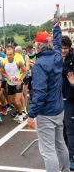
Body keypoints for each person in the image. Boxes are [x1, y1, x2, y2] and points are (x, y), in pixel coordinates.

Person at [28, 13, 70, 172]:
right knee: (60, 144)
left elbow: (39, 93)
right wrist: (57, 26)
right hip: (59, 109)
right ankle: (65, 170)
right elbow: (58, 42)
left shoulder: (39, 65)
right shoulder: (57, 56)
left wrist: (31, 114)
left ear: (38, 46)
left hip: (46, 113)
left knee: (48, 150)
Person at [61, 35, 74, 170]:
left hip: (70, 99)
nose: (63, 50)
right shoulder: (57, 59)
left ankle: (72, 157)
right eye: (61, 48)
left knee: (71, 130)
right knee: (63, 129)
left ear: (69, 48)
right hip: (59, 99)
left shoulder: (73, 60)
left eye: (65, 48)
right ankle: (65, 155)